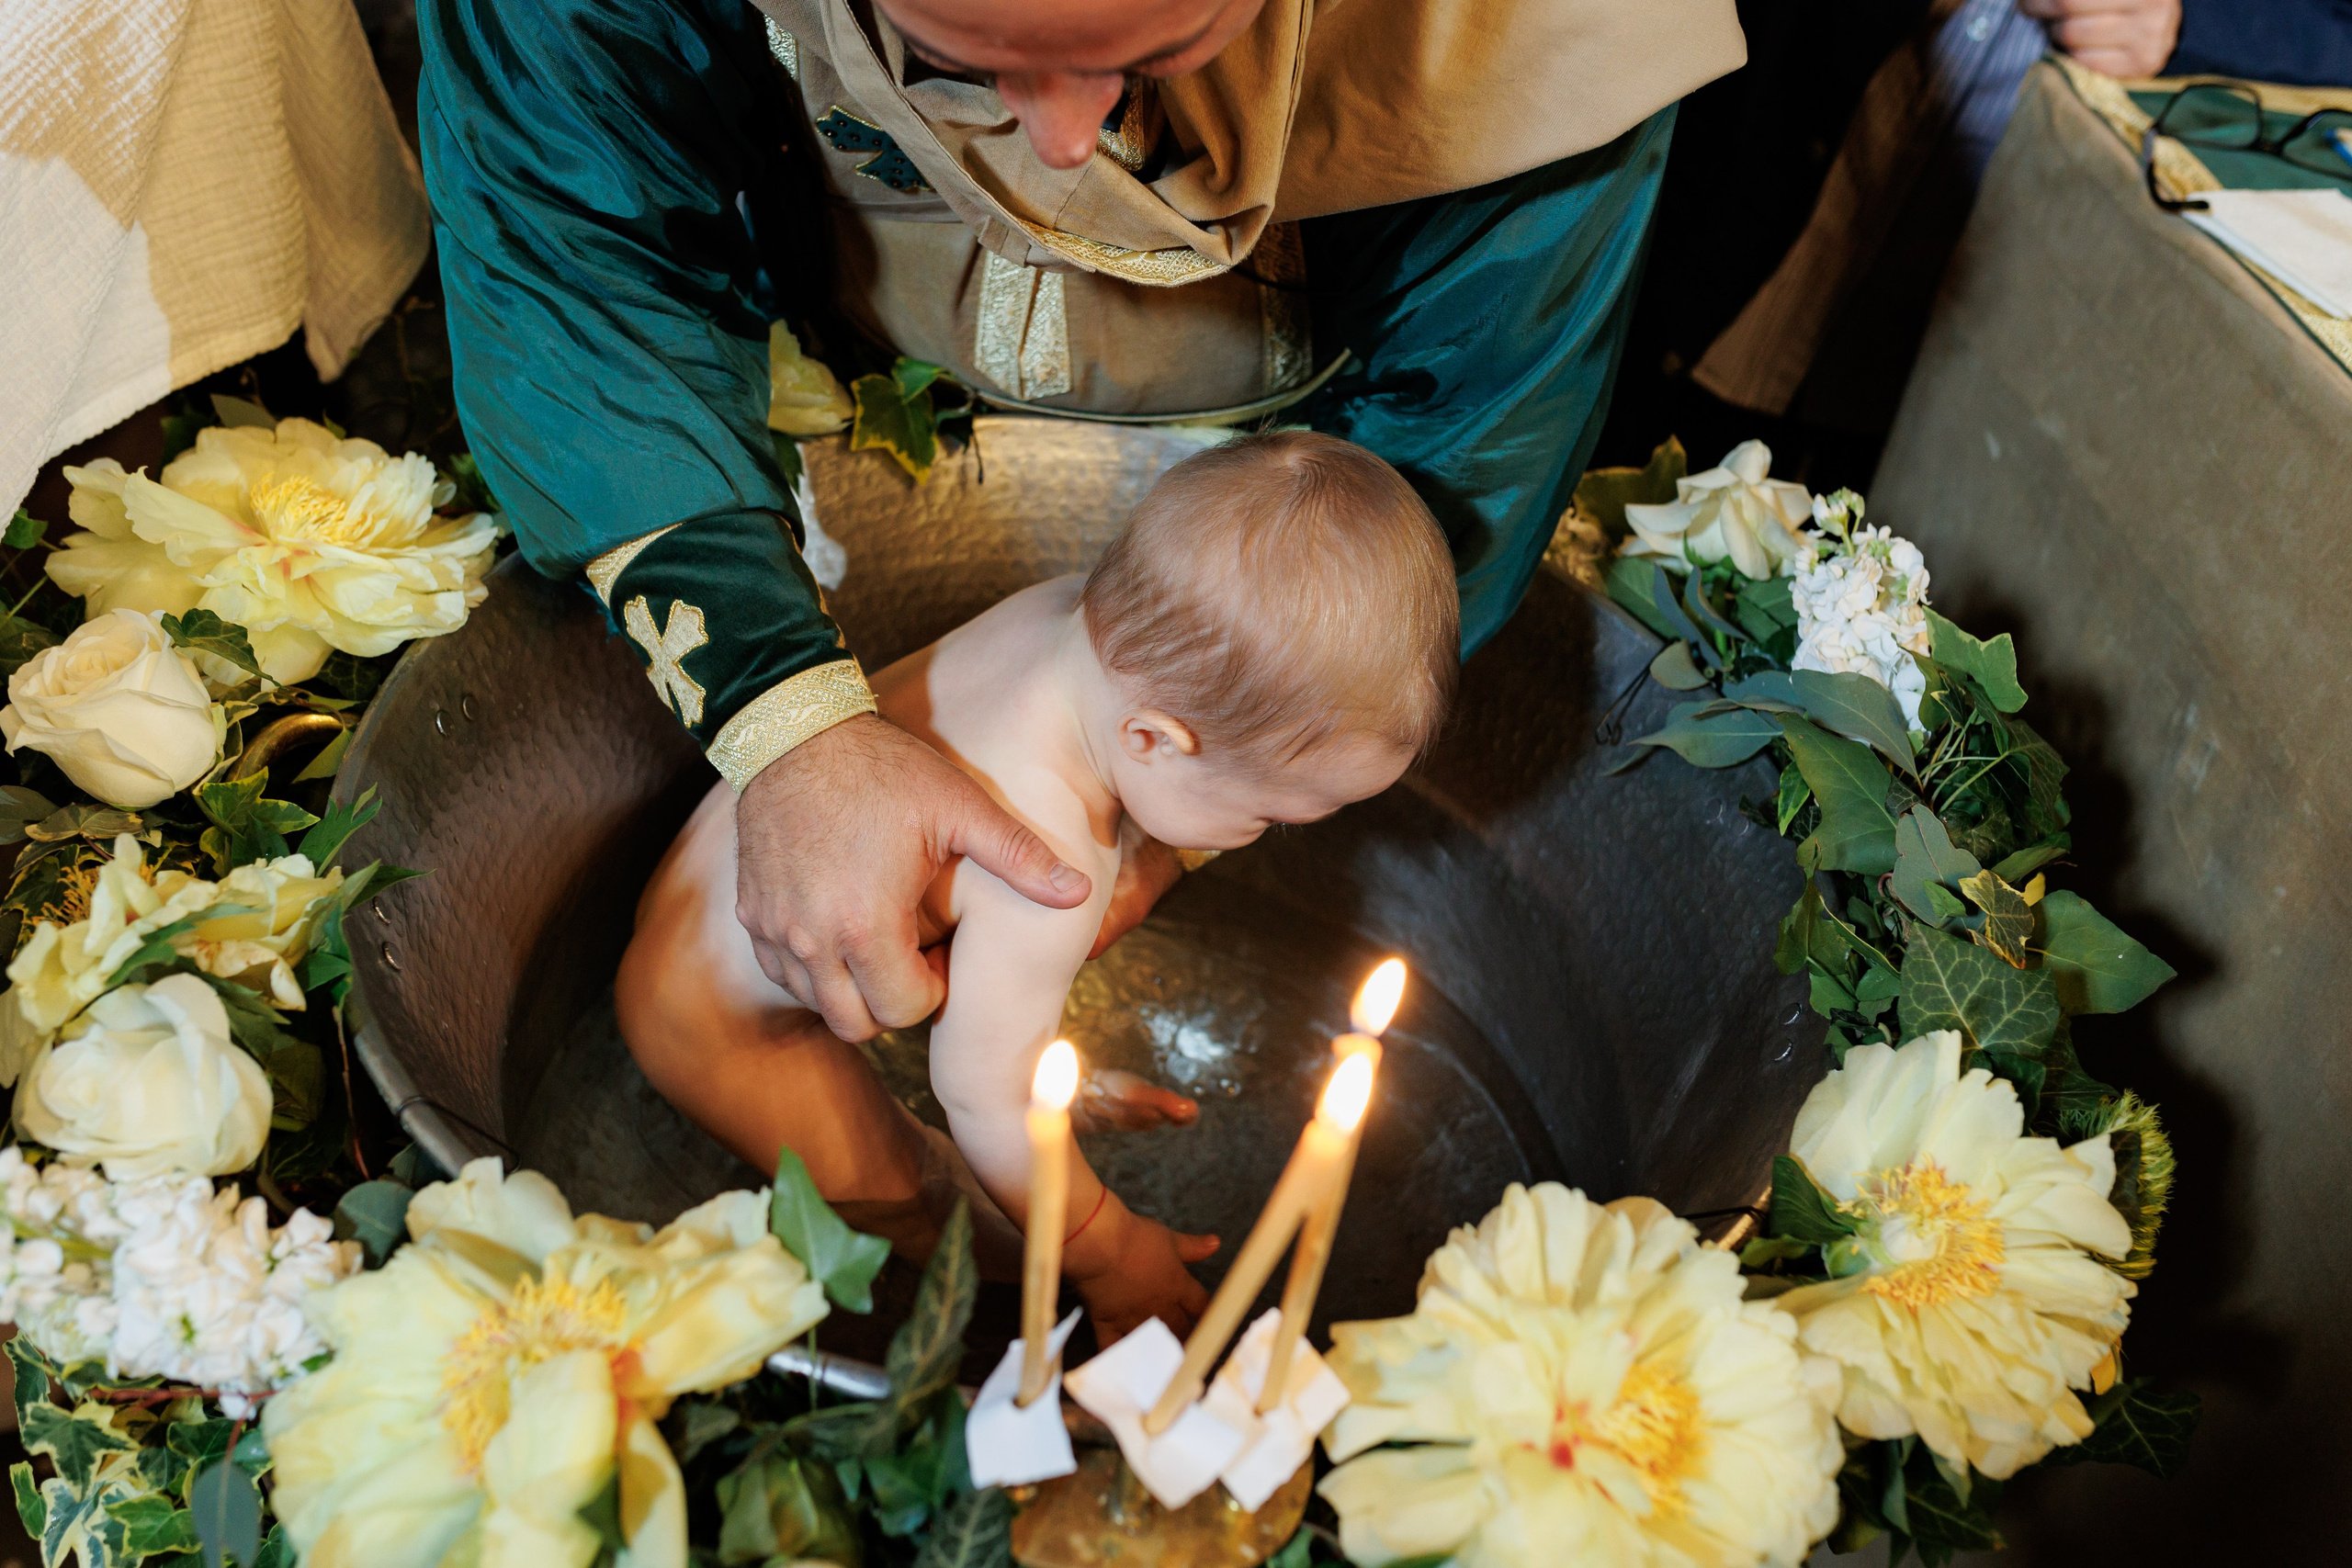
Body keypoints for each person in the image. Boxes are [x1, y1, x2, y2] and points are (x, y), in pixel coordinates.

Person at [415, 0, 1747, 1064]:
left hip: (1304, 396)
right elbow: (577, 245)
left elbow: (1475, 400)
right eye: (963, 52)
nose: (1061, 144)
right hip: (843, 367)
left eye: (1156, 46)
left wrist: (1206, 798)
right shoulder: (1067, 804)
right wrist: (787, 727)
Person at [615, 434, 1458, 1339]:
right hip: (715, 1030)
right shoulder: (1052, 863)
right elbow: (982, 1101)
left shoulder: (1069, 613)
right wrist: (1106, 1246)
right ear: (1152, 740)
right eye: (1269, 816)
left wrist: (1042, 1073)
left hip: (715, 867)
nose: (1262, 836)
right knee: (915, 1196)